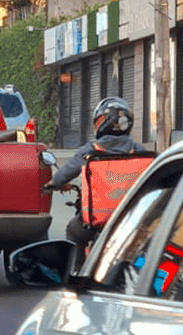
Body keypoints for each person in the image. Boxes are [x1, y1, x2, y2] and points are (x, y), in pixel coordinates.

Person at [45, 97, 150, 248]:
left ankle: (75, 270)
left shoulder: (91, 150)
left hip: (96, 222)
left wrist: (52, 184)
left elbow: (64, 174)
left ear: (101, 123)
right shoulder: (139, 151)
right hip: (133, 220)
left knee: (73, 231)